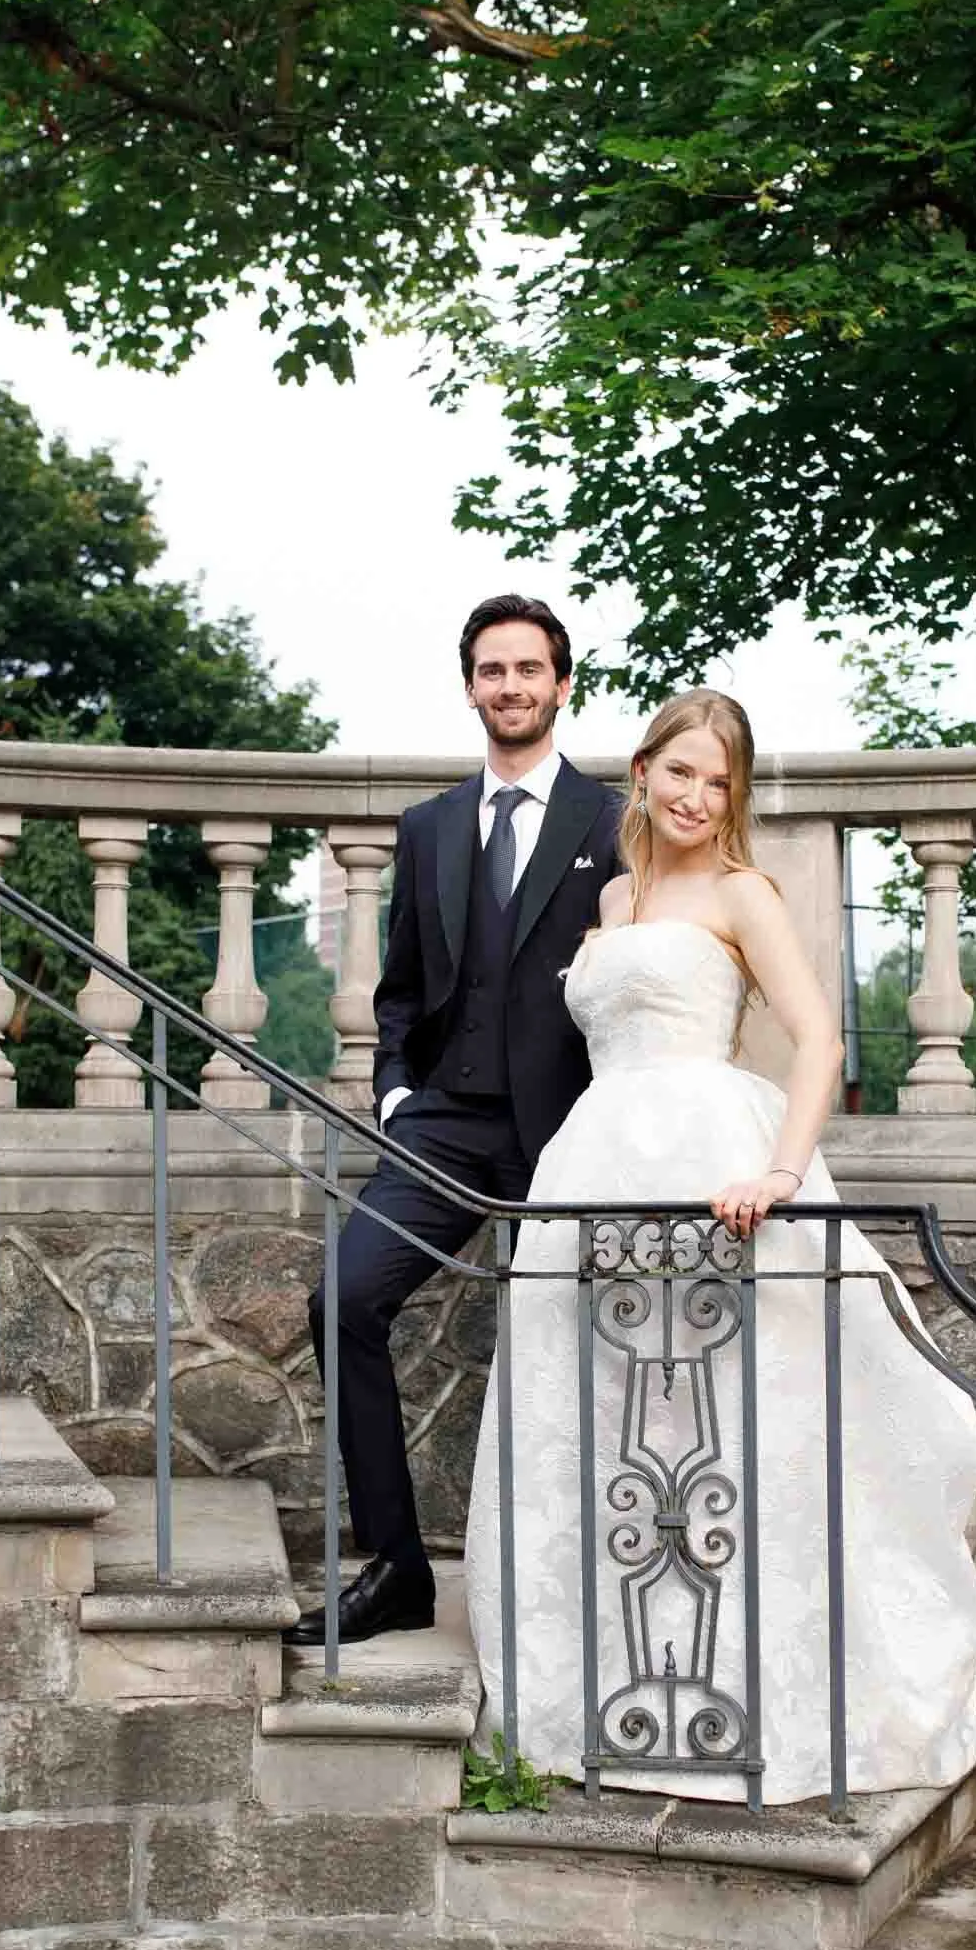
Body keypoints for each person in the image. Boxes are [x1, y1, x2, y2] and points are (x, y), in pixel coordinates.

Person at [465, 689, 976, 1805]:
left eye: (721, 783)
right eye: (682, 772)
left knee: (735, 1421)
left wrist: (781, 1173)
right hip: (600, 1159)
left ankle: (750, 1688)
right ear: (644, 770)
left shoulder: (746, 891)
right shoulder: (612, 892)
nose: (699, 797)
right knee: (612, 1423)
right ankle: (609, 1681)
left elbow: (820, 1040)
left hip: (711, 1159)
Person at [285, 595, 622, 1649]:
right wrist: (394, 1091)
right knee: (343, 1304)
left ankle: (591, 1591)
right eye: (492, 669)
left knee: (592, 1348)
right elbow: (400, 989)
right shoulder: (428, 826)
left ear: (563, 684)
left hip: (566, 1129)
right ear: (470, 683)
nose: (511, 686)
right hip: (439, 1126)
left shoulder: (615, 821)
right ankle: (396, 1567)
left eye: (530, 668)